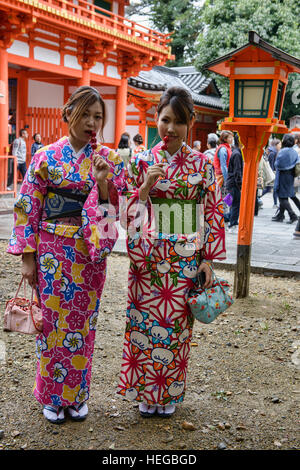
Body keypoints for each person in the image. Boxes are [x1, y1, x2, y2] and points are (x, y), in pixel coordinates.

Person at [7, 86, 125, 424]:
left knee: (83, 325)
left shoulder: (107, 159)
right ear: (68, 113)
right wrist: (27, 257)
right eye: (85, 114)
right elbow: (28, 206)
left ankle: (76, 396)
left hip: (88, 255)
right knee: (52, 326)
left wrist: (103, 184)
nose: (91, 122)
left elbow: (110, 212)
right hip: (51, 252)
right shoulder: (46, 156)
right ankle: (50, 395)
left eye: (98, 117)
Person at [116, 86, 226, 418]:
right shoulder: (141, 160)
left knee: (176, 328)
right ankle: (143, 393)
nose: (171, 129)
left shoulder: (202, 164)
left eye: (179, 121)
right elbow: (124, 213)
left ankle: (169, 393)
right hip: (147, 257)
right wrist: (146, 187)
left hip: (184, 257)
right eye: (165, 120)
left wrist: (207, 258)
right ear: (156, 119)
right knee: (143, 324)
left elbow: (212, 211)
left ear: (190, 122)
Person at [272, 134, 300, 224]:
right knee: (288, 195)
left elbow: (277, 164)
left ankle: (292, 215)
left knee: (282, 197)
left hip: (283, 176)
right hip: (291, 175)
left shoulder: (282, 151)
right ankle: (281, 215)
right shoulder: (294, 151)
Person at [213, 130, 234, 222]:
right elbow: (223, 165)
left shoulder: (226, 148)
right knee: (224, 196)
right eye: (230, 137)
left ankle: (225, 214)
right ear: (225, 139)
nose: (232, 139)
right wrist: (227, 178)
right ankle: (224, 215)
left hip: (224, 175)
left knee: (226, 195)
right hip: (222, 176)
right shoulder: (223, 149)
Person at [225, 133, 244, 232]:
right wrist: (240, 184)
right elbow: (237, 171)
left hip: (231, 182)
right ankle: (232, 224)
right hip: (234, 183)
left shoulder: (236, 152)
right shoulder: (237, 154)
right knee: (236, 204)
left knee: (232, 204)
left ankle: (229, 220)